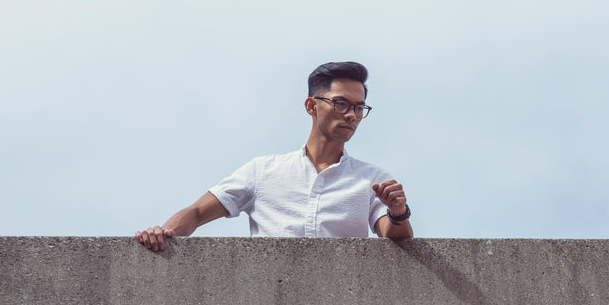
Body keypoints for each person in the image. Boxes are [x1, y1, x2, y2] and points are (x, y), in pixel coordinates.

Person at [136, 61, 412, 251]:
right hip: (271, 303)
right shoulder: (263, 171)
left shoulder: (372, 179)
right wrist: (164, 235)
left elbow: (394, 236)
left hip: (342, 303)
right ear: (311, 106)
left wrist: (398, 213)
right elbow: (197, 212)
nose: (351, 115)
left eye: (359, 107)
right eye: (340, 103)